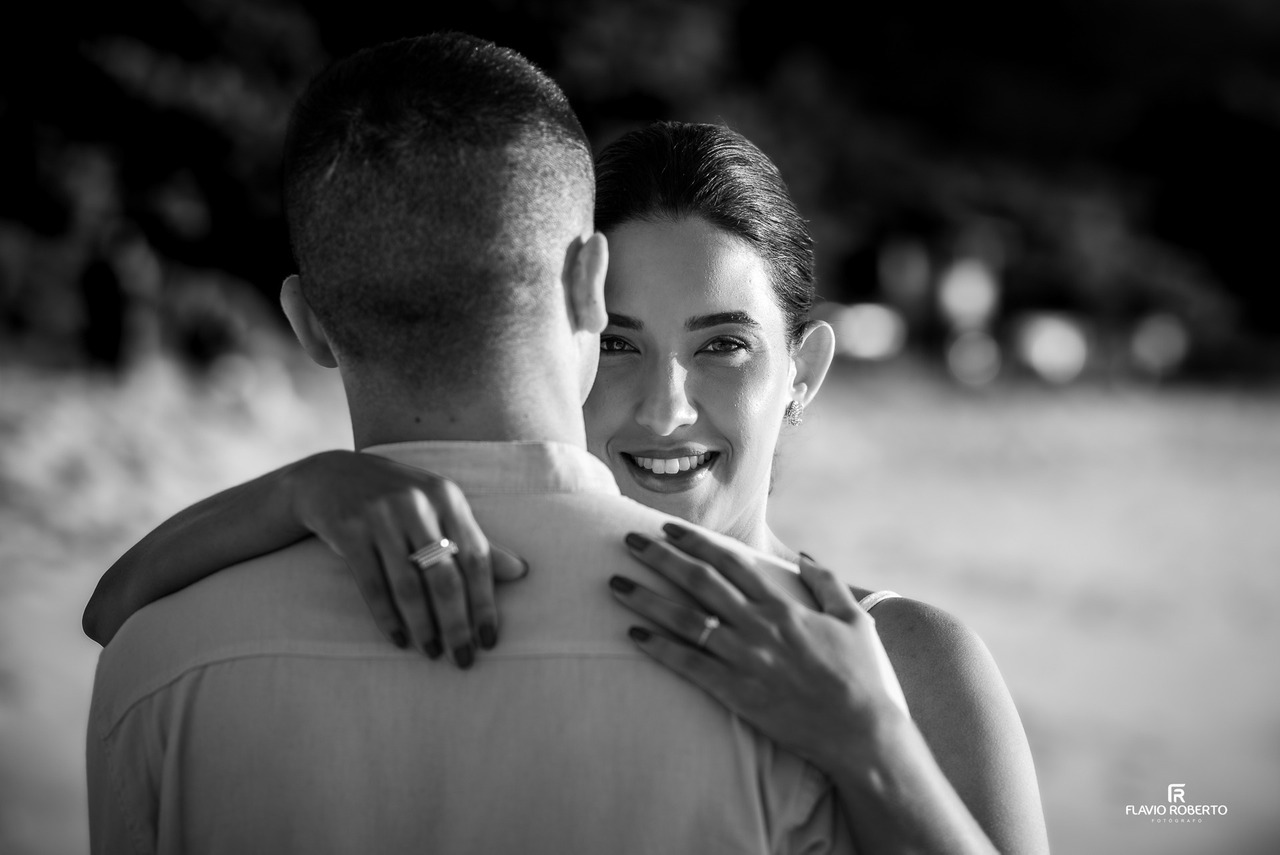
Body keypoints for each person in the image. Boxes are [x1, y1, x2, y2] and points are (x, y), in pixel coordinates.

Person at [85, 101, 1050, 855]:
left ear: (804, 373)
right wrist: (298, 489)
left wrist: (869, 741)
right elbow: (111, 609)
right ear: (573, 332)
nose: (666, 406)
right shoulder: (475, 574)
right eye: (622, 344)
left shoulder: (910, 657)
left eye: (723, 345)